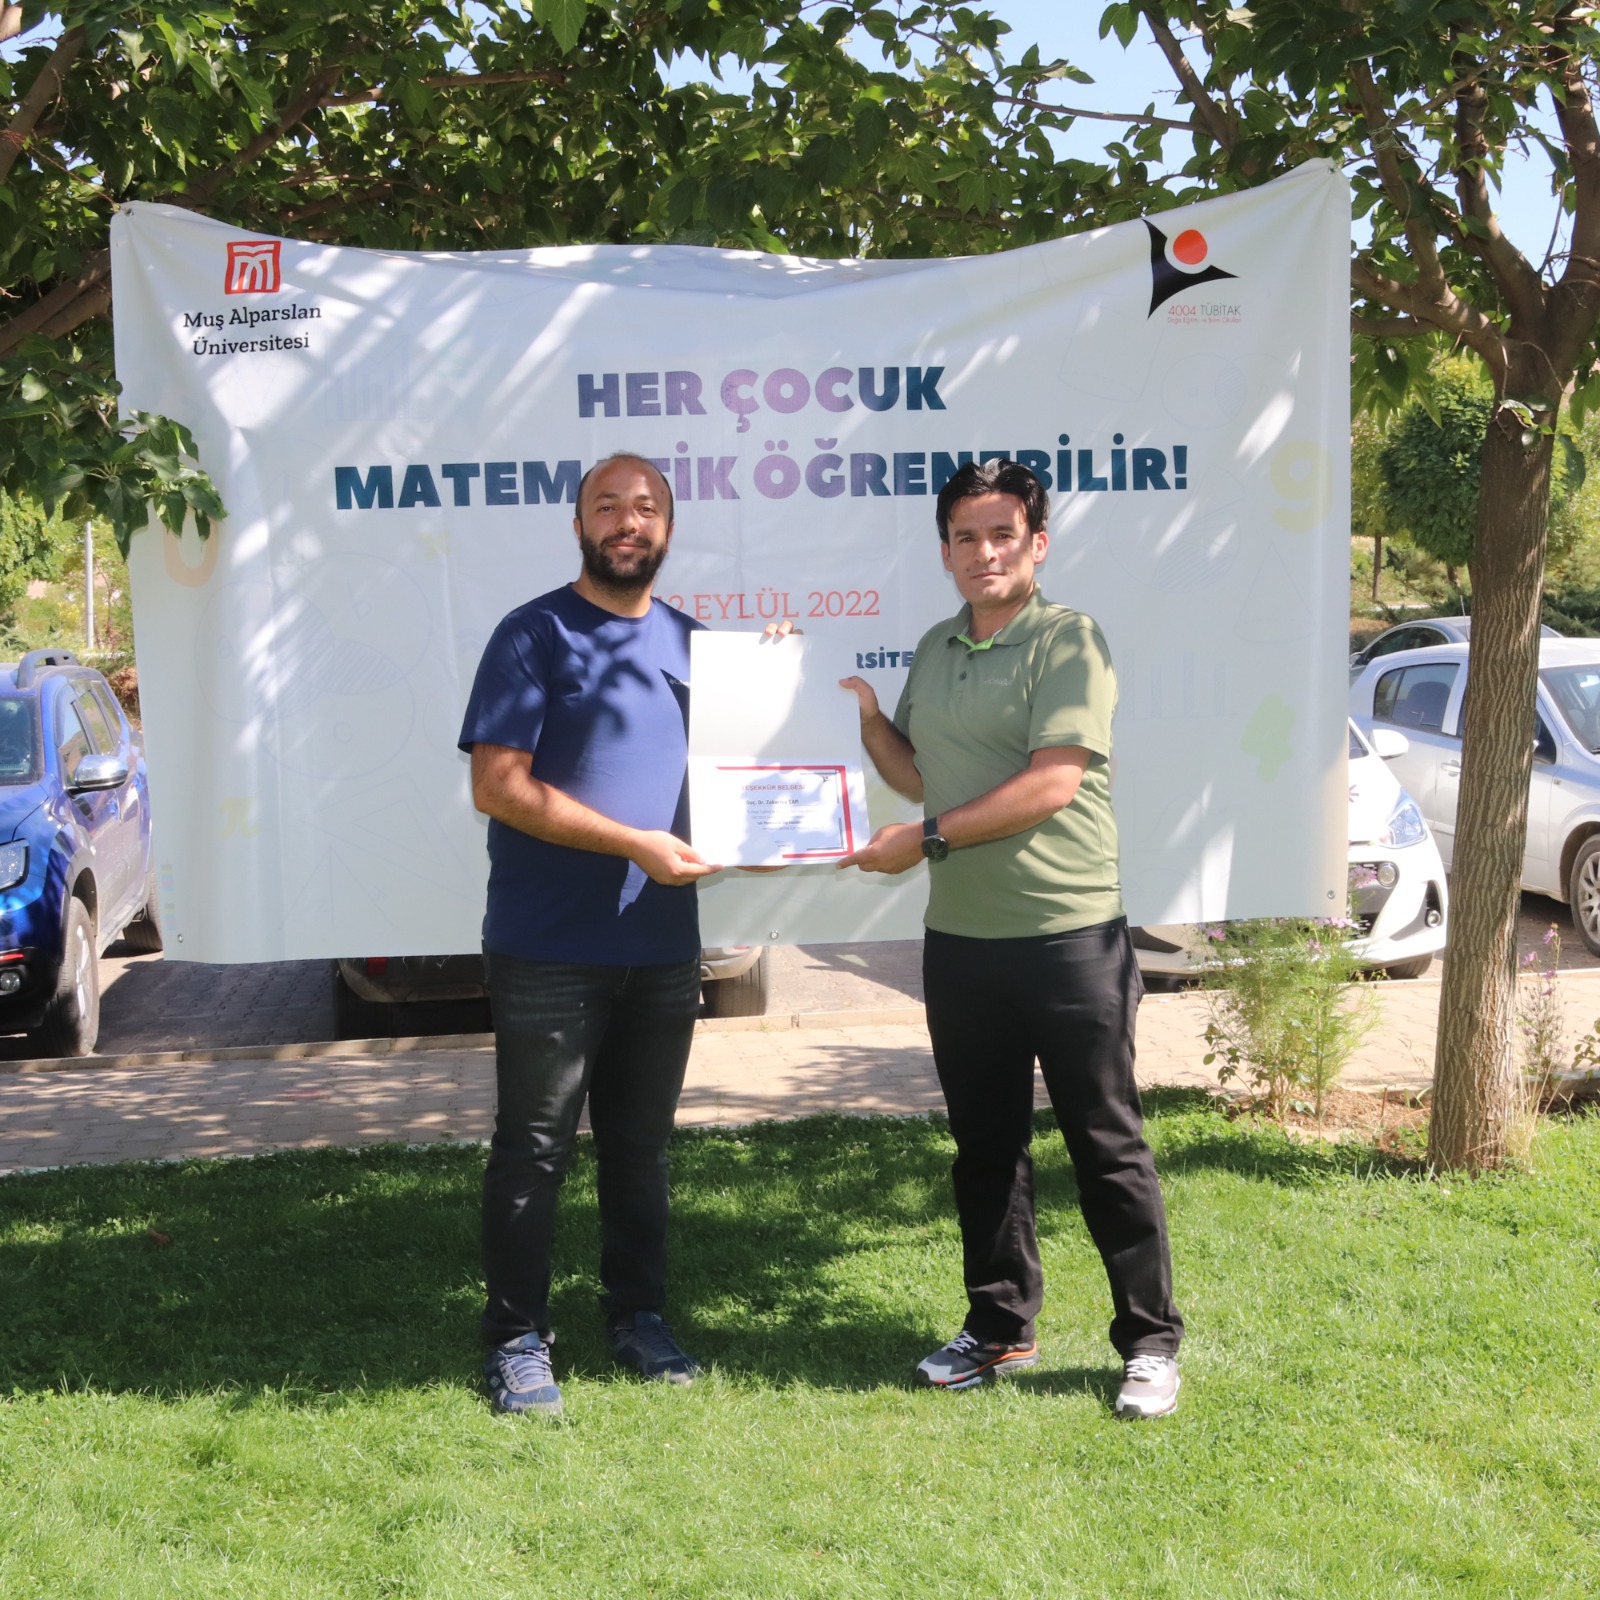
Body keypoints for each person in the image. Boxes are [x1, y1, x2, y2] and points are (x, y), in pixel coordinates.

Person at [839, 457, 1184, 1419]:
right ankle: (999, 1328)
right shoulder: (936, 646)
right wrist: (867, 719)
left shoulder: (1070, 640)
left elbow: (1051, 783)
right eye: (965, 537)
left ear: (1037, 544)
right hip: (961, 941)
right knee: (985, 1149)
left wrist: (926, 840)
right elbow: (920, 777)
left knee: (1105, 1144)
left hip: (1067, 936)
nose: (983, 552)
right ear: (944, 551)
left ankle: (1149, 1344)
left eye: (1002, 534)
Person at [458, 451, 719, 1418]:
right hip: (548, 948)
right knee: (534, 1148)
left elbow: (751, 768)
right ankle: (516, 1339)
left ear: (668, 528)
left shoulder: (701, 649)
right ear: (578, 526)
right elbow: (497, 786)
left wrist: (788, 682)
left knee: (640, 1150)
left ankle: (637, 1317)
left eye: (645, 507)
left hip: (662, 945)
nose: (627, 521)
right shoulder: (532, 635)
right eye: (607, 505)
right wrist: (632, 843)